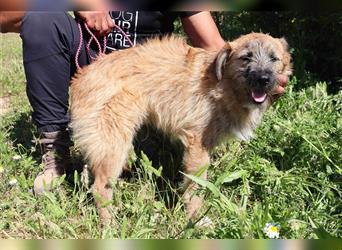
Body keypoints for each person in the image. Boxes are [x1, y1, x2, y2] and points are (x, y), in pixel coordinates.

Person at [0, 11, 288, 195]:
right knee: (40, 16)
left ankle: (139, 147)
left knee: (133, 156)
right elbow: (5, 17)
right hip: (92, 57)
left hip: (150, 74)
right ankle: (55, 149)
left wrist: (254, 75)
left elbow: (216, 46)